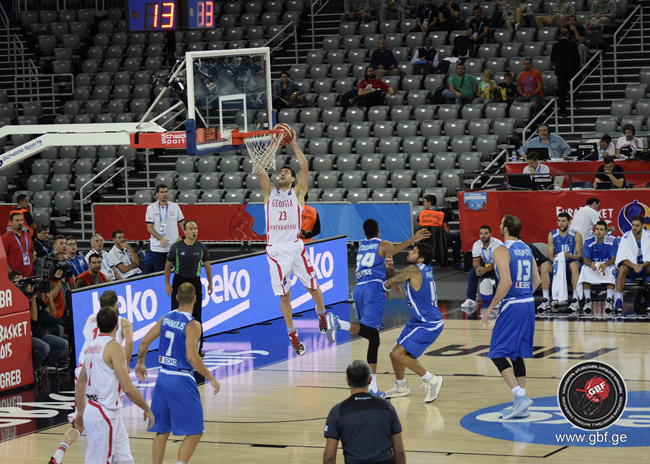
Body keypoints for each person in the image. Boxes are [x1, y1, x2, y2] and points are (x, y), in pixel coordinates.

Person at [326, 220, 430, 396]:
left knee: (372, 337)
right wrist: (413, 239)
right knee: (372, 335)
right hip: (373, 289)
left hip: (358, 289)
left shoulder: (362, 245)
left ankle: (373, 387)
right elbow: (391, 255)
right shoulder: (383, 244)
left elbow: (382, 263)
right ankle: (339, 324)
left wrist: (386, 282)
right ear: (379, 230)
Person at [257, 131, 333, 356]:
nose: (282, 173)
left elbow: (305, 168)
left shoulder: (298, 193)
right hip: (276, 251)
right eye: (281, 171)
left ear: (292, 179)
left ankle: (322, 314)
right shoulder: (269, 192)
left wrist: (293, 144)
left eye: (287, 172)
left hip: (295, 246)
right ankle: (292, 334)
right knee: (284, 296)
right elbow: (260, 170)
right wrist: (271, 146)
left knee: (313, 288)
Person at [135, 283, 220, 464]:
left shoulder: (165, 318)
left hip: (163, 377)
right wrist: (211, 377)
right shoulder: (193, 324)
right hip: (181, 380)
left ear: (176, 298)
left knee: (162, 430)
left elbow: (143, 342)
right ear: (196, 299)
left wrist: (140, 363)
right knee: (196, 430)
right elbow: (192, 357)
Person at [49, 290, 133, 464]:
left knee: (81, 420)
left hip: (83, 368)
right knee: (106, 413)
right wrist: (126, 363)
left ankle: (58, 455)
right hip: (99, 370)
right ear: (117, 306)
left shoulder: (90, 319)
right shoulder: (121, 322)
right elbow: (130, 341)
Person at [74, 307, 154, 464]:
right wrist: (146, 408)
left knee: (125, 460)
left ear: (97, 325)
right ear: (117, 325)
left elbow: (81, 383)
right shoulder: (115, 347)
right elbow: (128, 387)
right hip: (104, 412)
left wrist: (80, 411)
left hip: (101, 410)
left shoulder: (90, 346)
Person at [481, 215, 541, 420]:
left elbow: (505, 283)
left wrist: (490, 307)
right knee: (516, 355)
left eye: (500, 224)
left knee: (496, 352)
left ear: (505, 229)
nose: (499, 226)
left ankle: (518, 395)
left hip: (513, 304)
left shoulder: (501, 250)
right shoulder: (527, 248)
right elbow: (537, 279)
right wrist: (524, 296)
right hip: (528, 304)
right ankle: (521, 402)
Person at [381, 243, 443, 402]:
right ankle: (401, 386)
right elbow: (398, 276)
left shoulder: (414, 269)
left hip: (428, 323)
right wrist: (390, 269)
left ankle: (431, 379)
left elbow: (388, 284)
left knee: (398, 354)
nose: (410, 252)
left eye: (414, 251)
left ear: (421, 258)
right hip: (419, 320)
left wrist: (375, 283)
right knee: (393, 354)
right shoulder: (424, 268)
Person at [323, 360, 405, 464]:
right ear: (370, 380)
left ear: (347, 381)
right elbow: (399, 450)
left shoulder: (338, 411)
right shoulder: (387, 407)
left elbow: (329, 456)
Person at [165, 220, 213, 355]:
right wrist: (167, 284)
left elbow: (207, 265)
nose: (194, 231)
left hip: (195, 283)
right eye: (191, 229)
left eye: (196, 228)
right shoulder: (176, 247)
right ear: (185, 232)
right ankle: (176, 347)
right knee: (176, 315)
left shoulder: (201, 247)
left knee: (196, 316)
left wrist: (210, 282)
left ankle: (198, 348)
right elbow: (168, 265)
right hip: (179, 282)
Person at [12, 271, 67, 377]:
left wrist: (48, 296)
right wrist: (32, 297)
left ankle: (45, 365)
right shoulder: (19, 301)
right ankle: (32, 371)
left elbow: (52, 311)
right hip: (27, 337)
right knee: (45, 347)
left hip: (39, 333)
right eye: (19, 282)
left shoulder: (36, 298)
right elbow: (34, 317)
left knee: (63, 343)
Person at [537, 213, 584, 312]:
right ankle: (545, 300)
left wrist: (568, 256)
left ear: (569, 222)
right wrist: (554, 258)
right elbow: (549, 255)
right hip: (558, 265)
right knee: (544, 265)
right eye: (559, 221)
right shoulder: (552, 235)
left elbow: (580, 256)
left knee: (574, 265)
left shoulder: (576, 235)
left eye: (563, 221)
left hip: (570, 265)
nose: (561, 223)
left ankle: (575, 299)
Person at [578, 220, 618, 314]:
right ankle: (588, 300)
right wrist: (590, 264)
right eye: (597, 229)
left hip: (606, 265)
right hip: (594, 265)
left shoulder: (612, 240)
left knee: (612, 269)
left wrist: (605, 264)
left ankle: (608, 301)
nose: (598, 232)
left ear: (605, 231)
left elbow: (613, 258)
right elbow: (585, 259)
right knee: (584, 269)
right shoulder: (589, 240)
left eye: (601, 229)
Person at [462, 225, 504, 308]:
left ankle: (499, 299)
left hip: (497, 266)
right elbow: (476, 262)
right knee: (472, 272)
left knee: (498, 271)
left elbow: (500, 263)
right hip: (485, 265)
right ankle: (471, 299)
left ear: (490, 234)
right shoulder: (476, 245)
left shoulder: (498, 244)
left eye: (486, 233)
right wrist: (478, 269)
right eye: (481, 234)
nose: (483, 236)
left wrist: (487, 269)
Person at [614, 214, 650, 312]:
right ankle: (618, 300)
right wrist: (634, 266)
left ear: (643, 226)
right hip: (631, 269)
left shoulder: (649, 236)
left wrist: (641, 265)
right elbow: (621, 258)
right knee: (622, 268)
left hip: (645, 267)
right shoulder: (625, 237)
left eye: (637, 225)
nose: (634, 228)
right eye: (633, 225)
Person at [146, 183, 185, 272]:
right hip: (158, 248)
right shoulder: (151, 208)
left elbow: (182, 223)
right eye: (162, 192)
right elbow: (149, 228)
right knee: (159, 274)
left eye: (166, 192)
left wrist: (185, 237)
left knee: (179, 272)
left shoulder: (175, 206)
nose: (164, 194)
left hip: (174, 246)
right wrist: (161, 239)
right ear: (157, 194)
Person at [551, 29, 580, 117]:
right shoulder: (572, 44)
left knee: (562, 91)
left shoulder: (555, 45)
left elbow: (553, 59)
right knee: (576, 85)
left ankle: (562, 111)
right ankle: (573, 101)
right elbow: (577, 57)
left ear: (560, 35)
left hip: (560, 71)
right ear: (568, 35)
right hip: (572, 70)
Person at [3, 212, 35, 276]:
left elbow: (32, 253)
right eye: (17, 220)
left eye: (21, 220)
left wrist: (32, 268)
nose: (20, 222)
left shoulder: (28, 236)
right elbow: (2, 259)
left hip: (29, 274)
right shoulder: (6, 238)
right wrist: (11, 273)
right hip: (15, 276)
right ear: (11, 222)